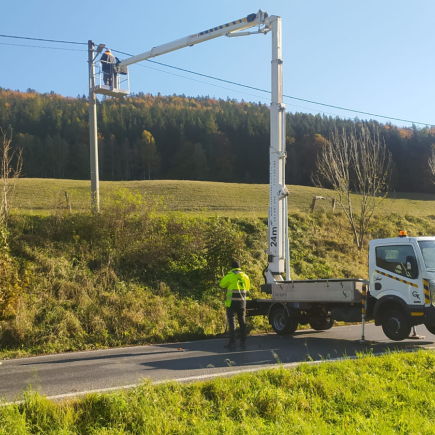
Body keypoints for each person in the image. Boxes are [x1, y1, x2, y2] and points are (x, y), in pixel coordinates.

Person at [219, 260, 250, 348]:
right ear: (239, 267)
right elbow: (247, 288)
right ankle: (243, 342)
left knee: (232, 322)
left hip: (231, 303)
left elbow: (222, 284)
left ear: (232, 267)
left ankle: (232, 342)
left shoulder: (230, 276)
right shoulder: (245, 277)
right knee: (242, 321)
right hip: (242, 302)